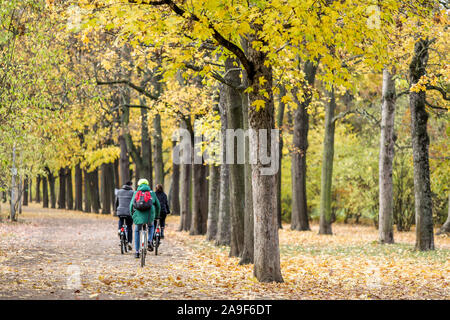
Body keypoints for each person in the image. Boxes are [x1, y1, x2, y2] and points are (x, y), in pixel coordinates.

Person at [130, 178, 160, 259]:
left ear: (139, 185)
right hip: (149, 216)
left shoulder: (136, 193)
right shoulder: (152, 193)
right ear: (147, 184)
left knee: (137, 231)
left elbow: (131, 206)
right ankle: (150, 241)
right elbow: (158, 205)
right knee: (151, 226)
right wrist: (157, 216)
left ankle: (137, 252)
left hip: (139, 217)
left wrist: (133, 215)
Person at [114, 181, 134, 251]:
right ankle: (129, 242)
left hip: (120, 211)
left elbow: (116, 202)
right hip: (129, 212)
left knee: (121, 220)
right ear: (130, 185)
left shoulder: (119, 192)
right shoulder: (132, 192)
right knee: (129, 227)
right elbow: (133, 204)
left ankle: (120, 230)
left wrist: (116, 210)